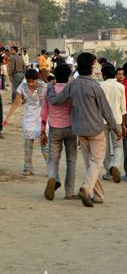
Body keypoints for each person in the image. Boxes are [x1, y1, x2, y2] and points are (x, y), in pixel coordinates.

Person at [47, 53, 119, 207]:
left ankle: (98, 195)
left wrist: (50, 88)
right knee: (97, 162)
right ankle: (86, 188)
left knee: (90, 164)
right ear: (91, 67)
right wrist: (116, 128)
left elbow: (56, 100)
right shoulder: (95, 86)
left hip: (80, 130)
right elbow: (106, 111)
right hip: (95, 129)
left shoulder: (72, 85)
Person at [41, 64, 77, 200]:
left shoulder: (49, 90)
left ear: (55, 75)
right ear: (68, 75)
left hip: (54, 128)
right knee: (71, 161)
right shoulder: (71, 90)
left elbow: (44, 112)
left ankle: (52, 177)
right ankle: (69, 192)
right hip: (71, 127)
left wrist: (42, 130)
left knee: (53, 159)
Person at [3, 68, 48, 175]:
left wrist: (46, 119)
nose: (31, 84)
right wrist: (7, 118)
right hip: (29, 117)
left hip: (41, 116)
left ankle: (51, 168)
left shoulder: (43, 86)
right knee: (28, 144)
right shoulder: (22, 86)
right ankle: (28, 168)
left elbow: (47, 104)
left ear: (37, 79)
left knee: (44, 143)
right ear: (26, 80)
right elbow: (16, 103)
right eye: (29, 81)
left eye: (33, 81)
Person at [100, 63, 127, 183]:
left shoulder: (100, 86)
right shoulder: (120, 87)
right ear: (114, 74)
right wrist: (124, 125)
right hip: (117, 120)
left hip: (102, 120)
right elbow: (123, 108)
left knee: (105, 148)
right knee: (118, 146)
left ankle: (109, 171)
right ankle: (115, 165)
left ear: (104, 74)